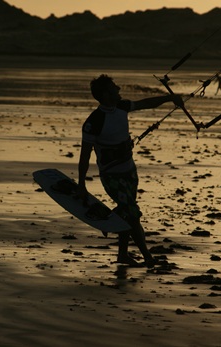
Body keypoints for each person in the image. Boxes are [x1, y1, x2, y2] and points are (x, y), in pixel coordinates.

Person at [78, 74, 183, 268]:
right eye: (114, 88)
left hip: (130, 172)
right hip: (111, 176)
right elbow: (84, 155)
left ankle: (122, 254)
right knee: (132, 214)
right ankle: (148, 257)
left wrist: (169, 98)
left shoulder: (122, 107)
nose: (118, 89)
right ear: (105, 94)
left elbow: (147, 103)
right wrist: (81, 185)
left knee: (127, 211)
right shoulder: (94, 122)